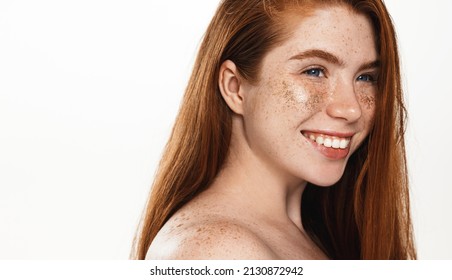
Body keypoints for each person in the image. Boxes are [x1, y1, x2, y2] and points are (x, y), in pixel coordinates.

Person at [132, 0, 416, 260]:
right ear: (235, 88)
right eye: (314, 71)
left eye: (365, 77)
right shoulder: (217, 251)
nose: (351, 108)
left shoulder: (317, 235)